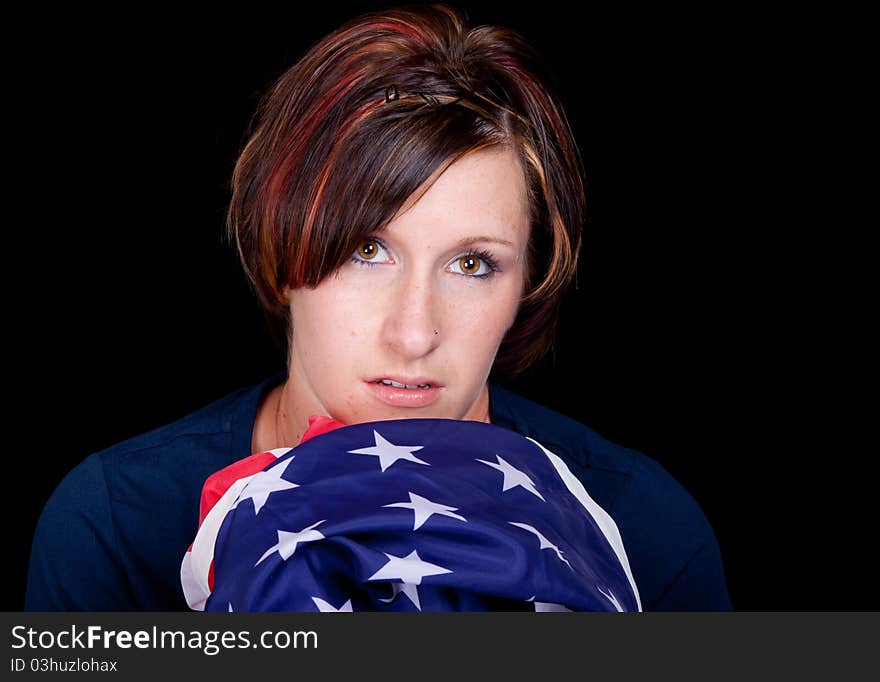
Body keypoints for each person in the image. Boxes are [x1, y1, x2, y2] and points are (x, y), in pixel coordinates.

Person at [25, 3, 732, 611]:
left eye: (472, 264)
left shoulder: (643, 527)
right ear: (279, 251)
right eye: (367, 250)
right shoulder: (115, 524)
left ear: (528, 285)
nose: (414, 332)